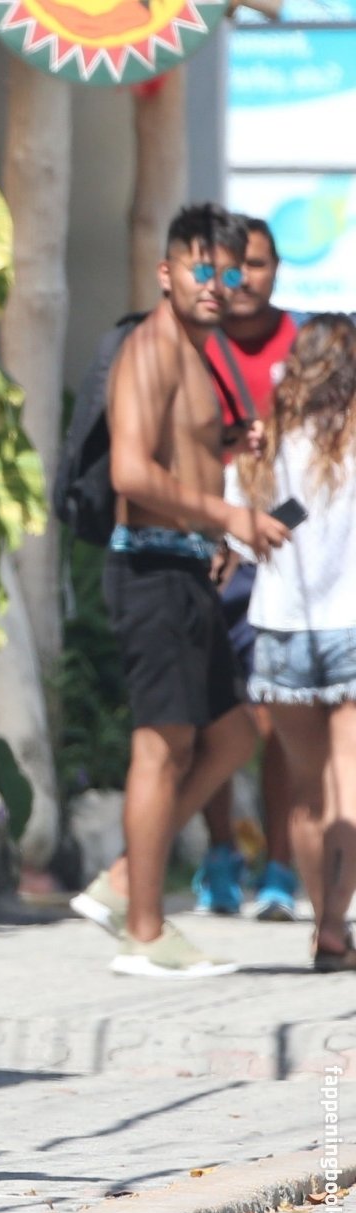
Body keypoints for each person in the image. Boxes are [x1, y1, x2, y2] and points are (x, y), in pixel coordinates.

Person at [76, 204, 290, 978]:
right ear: (167, 273)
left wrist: (226, 445)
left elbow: (177, 452)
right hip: (152, 570)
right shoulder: (151, 348)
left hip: (190, 565)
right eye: (202, 268)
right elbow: (132, 472)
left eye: (228, 272)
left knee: (232, 736)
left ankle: (125, 878)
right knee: (161, 747)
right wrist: (229, 515)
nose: (217, 284)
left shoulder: (200, 356)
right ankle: (143, 929)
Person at [231, 311, 356, 969]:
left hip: (279, 628)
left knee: (306, 792)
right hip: (351, 624)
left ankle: (322, 923)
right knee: (349, 783)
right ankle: (335, 923)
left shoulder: (265, 444)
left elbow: (236, 539)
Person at [195, 218, 302, 920]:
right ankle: (220, 857)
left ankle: (283, 866)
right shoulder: (193, 345)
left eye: (255, 265)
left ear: (276, 268)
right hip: (210, 551)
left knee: (279, 718)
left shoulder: (310, 348)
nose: (243, 280)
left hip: (288, 552)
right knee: (214, 711)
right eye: (230, 268)